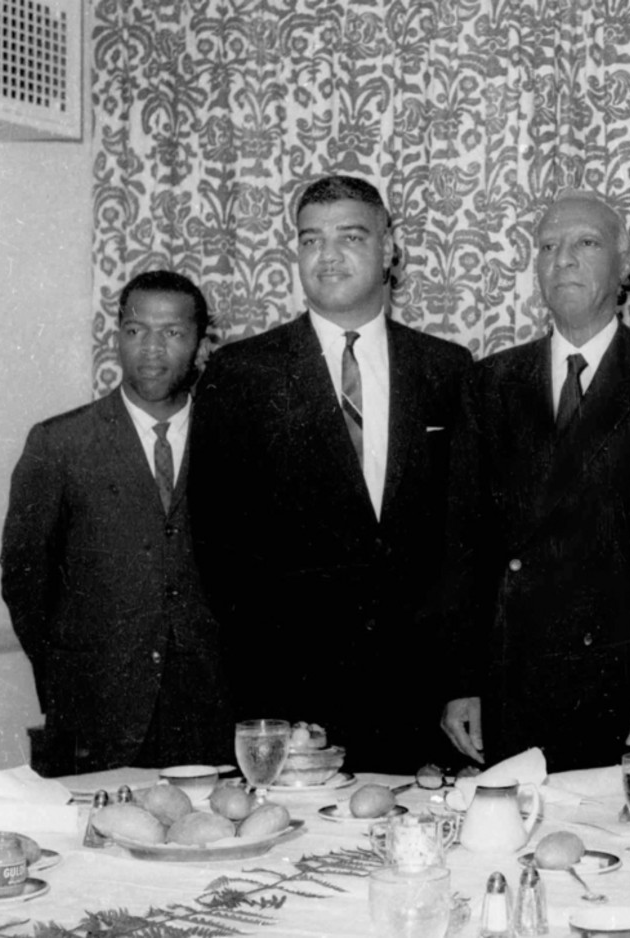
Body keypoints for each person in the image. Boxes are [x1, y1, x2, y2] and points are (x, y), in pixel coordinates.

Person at [190, 175, 472, 772]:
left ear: (389, 247)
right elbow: (220, 554)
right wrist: (266, 706)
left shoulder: (447, 369)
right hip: (294, 705)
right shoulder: (240, 374)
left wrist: (459, 679)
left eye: (350, 236)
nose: (328, 255)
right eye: (310, 239)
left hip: (420, 701)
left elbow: (463, 544)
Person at [437, 190, 630, 772]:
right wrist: (460, 682)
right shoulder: (488, 383)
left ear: (626, 265)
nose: (563, 259)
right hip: (513, 679)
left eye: (585, 243)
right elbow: (462, 547)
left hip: (626, 684)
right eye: (548, 247)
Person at [1, 270, 231, 774]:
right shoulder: (59, 444)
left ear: (201, 342)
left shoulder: (235, 440)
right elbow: (24, 578)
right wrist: (70, 672)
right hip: (95, 716)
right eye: (135, 330)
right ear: (117, 337)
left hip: (212, 717)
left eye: (172, 332)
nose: (151, 348)